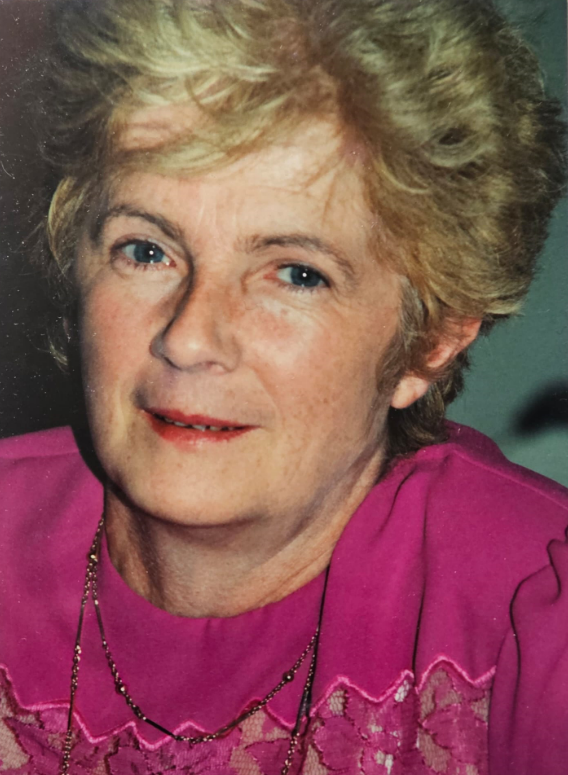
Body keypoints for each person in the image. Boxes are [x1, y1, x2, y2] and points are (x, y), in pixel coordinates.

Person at [0, 0, 566, 773]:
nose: (189, 337)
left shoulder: (534, 608)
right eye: (146, 250)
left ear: (427, 343)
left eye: (296, 274)